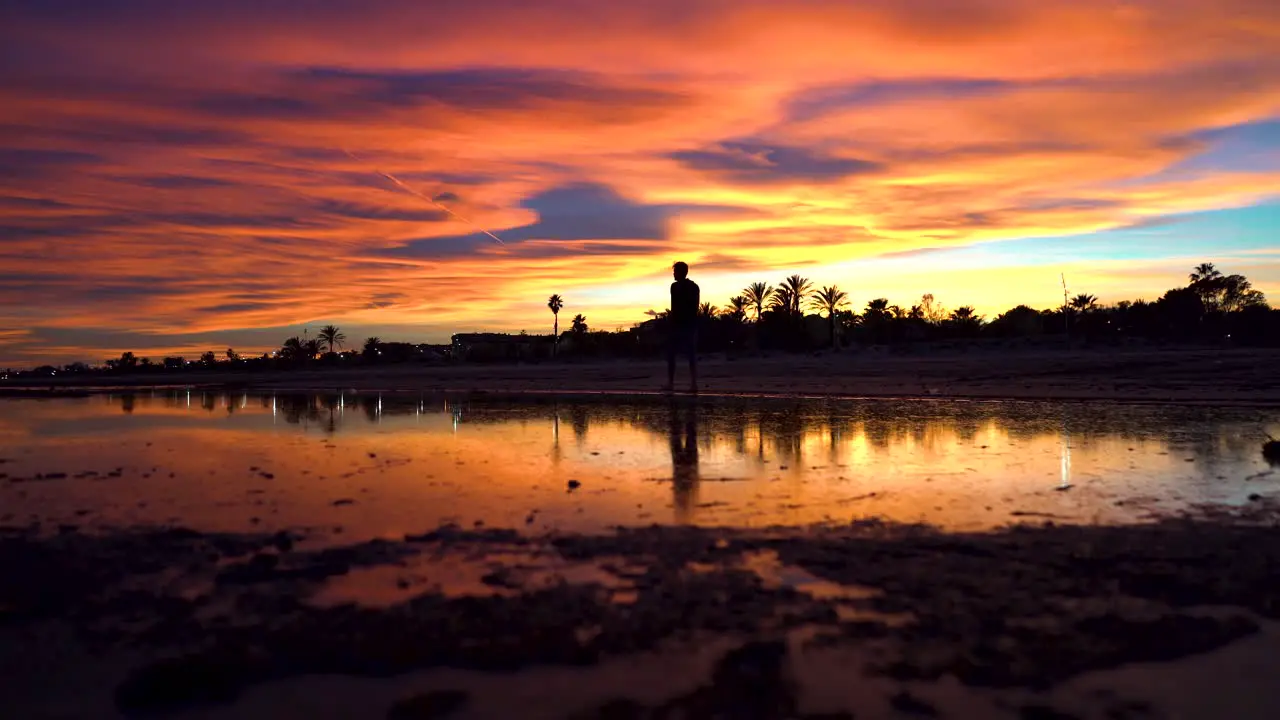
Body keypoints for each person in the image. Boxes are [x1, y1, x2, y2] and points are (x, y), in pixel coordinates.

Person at [666, 261, 699, 392]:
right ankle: (690, 384)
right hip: (683, 324)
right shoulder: (680, 287)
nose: (673, 274)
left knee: (686, 354)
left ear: (681, 272)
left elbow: (678, 307)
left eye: (675, 271)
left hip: (685, 324)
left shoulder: (683, 287)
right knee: (677, 354)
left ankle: (683, 383)